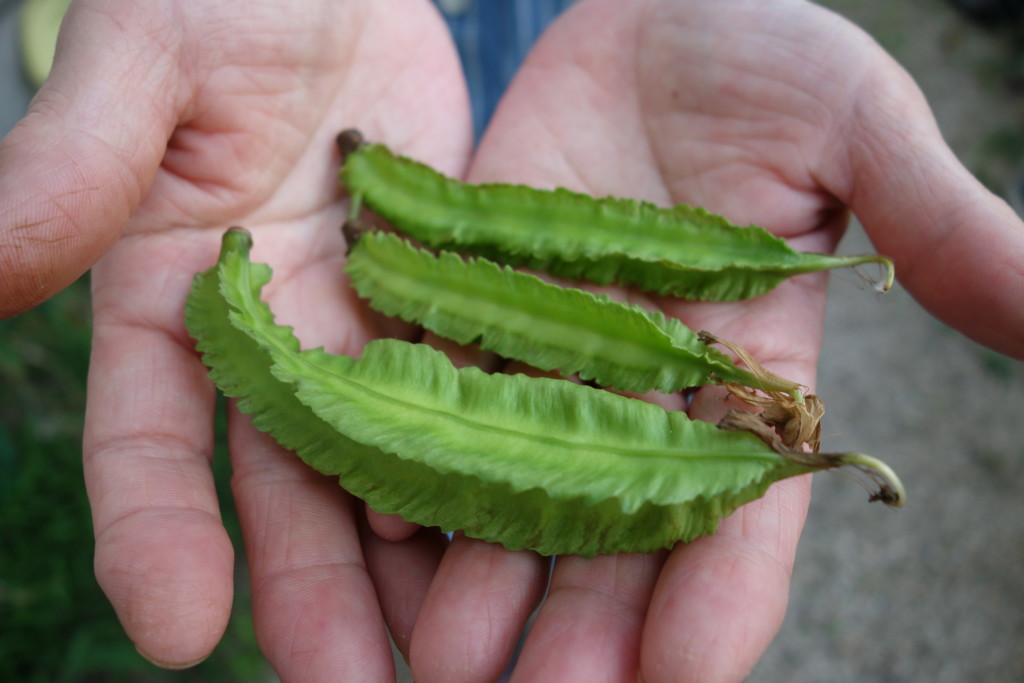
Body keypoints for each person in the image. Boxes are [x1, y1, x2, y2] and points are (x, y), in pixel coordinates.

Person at [1, 1, 1022, 681]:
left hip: (571, 30)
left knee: (508, 294)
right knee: (441, 293)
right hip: (382, 48)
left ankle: (377, 233)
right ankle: (375, 232)